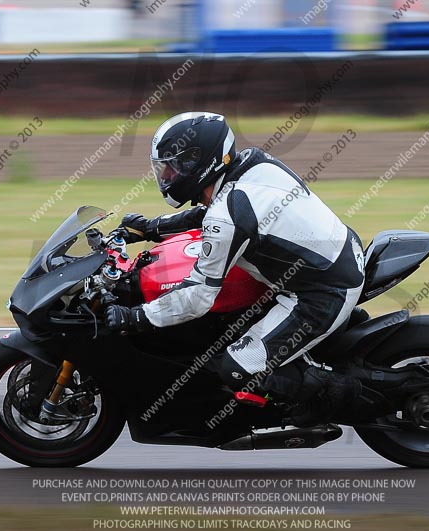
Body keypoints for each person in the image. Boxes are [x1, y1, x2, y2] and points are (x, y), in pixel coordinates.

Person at [105, 111, 366, 425]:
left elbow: (198, 295)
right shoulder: (252, 164)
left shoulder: (227, 213)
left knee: (237, 366)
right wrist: (149, 228)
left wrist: (137, 317)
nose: (167, 177)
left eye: (172, 168)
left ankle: (337, 395)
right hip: (332, 256)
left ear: (197, 163)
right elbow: (211, 214)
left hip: (321, 292)